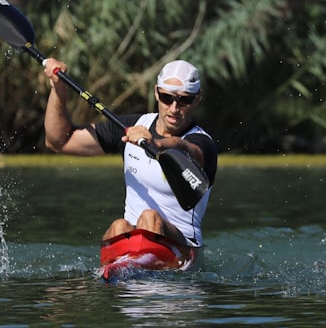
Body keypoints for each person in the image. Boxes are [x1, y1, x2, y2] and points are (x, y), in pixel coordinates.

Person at [42, 58, 218, 249]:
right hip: (132, 238)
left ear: (197, 98)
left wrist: (156, 144)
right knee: (119, 226)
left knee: (150, 218)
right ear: (156, 93)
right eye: (167, 98)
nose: (174, 108)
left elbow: (187, 148)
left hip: (182, 243)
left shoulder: (203, 143)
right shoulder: (132, 126)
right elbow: (58, 141)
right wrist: (58, 89)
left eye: (184, 100)